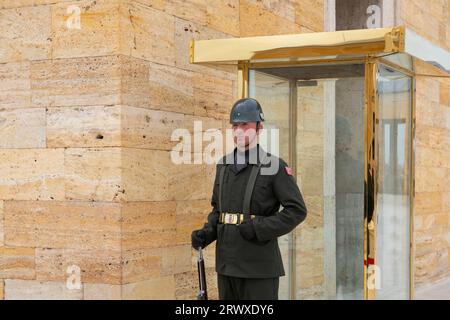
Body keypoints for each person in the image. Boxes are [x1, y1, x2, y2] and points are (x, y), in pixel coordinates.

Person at [191, 98, 307, 300]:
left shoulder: (274, 166)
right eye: (235, 125)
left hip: (259, 267)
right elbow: (218, 210)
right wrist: (207, 233)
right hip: (227, 265)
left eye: (245, 124)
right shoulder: (224, 165)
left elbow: (296, 211)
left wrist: (259, 227)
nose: (239, 131)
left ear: (259, 128)